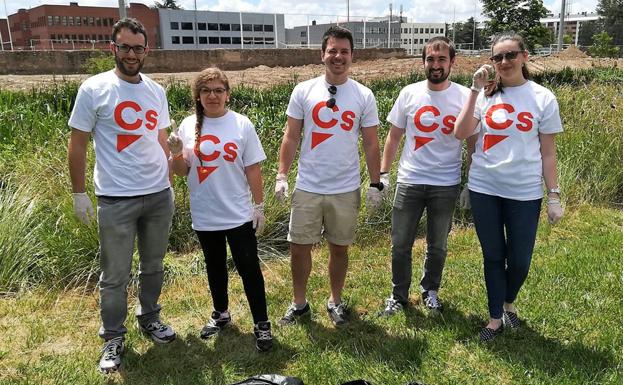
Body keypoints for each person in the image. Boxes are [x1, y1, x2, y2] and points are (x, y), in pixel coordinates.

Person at [67, 18, 176, 373]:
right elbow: (78, 143)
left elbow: (160, 139)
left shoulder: (156, 91)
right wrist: (79, 193)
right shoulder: (94, 88)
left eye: (138, 48)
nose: (132, 54)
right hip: (116, 198)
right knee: (114, 275)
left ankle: (150, 317)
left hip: (158, 194)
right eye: (125, 47)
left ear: (147, 50)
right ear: (113, 48)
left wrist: (171, 172)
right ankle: (113, 336)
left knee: (154, 266)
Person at [454, 32, 564, 342]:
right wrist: (474, 90)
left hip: (525, 192)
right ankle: (494, 319)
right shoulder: (486, 96)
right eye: (498, 57)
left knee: (519, 259)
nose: (504, 62)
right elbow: (461, 133)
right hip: (484, 187)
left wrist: (553, 194)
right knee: (493, 255)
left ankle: (508, 302)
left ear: (525, 56)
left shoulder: (543, 98)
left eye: (510, 55)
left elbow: (548, 152)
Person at [275, 26, 383, 327]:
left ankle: (335, 300)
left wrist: (375, 183)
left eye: (344, 51)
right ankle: (299, 303)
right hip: (308, 185)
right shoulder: (304, 91)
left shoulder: (364, 95)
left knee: (339, 247)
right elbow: (291, 137)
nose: (338, 56)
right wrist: (282, 175)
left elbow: (372, 142)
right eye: (332, 51)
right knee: (299, 247)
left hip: (345, 187)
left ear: (352, 56)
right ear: (322, 54)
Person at [167, 67, 273, 352]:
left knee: (249, 268)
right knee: (214, 267)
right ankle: (221, 314)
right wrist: (176, 152)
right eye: (206, 90)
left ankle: (262, 324)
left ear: (227, 94)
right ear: (198, 96)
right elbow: (180, 171)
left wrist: (259, 205)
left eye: (218, 90)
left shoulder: (241, 124)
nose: (212, 96)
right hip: (205, 214)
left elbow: (253, 168)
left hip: (238, 213)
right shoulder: (188, 126)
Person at [379, 36, 474, 317]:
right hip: (410, 180)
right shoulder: (409, 93)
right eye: (430, 59)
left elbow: (471, 143)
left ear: (452, 63)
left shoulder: (463, 97)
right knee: (400, 244)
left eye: (441, 59)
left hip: (446, 184)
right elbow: (393, 137)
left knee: (438, 245)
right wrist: (383, 174)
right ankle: (398, 295)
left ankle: (430, 290)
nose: (435, 64)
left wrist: (469, 181)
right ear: (423, 62)